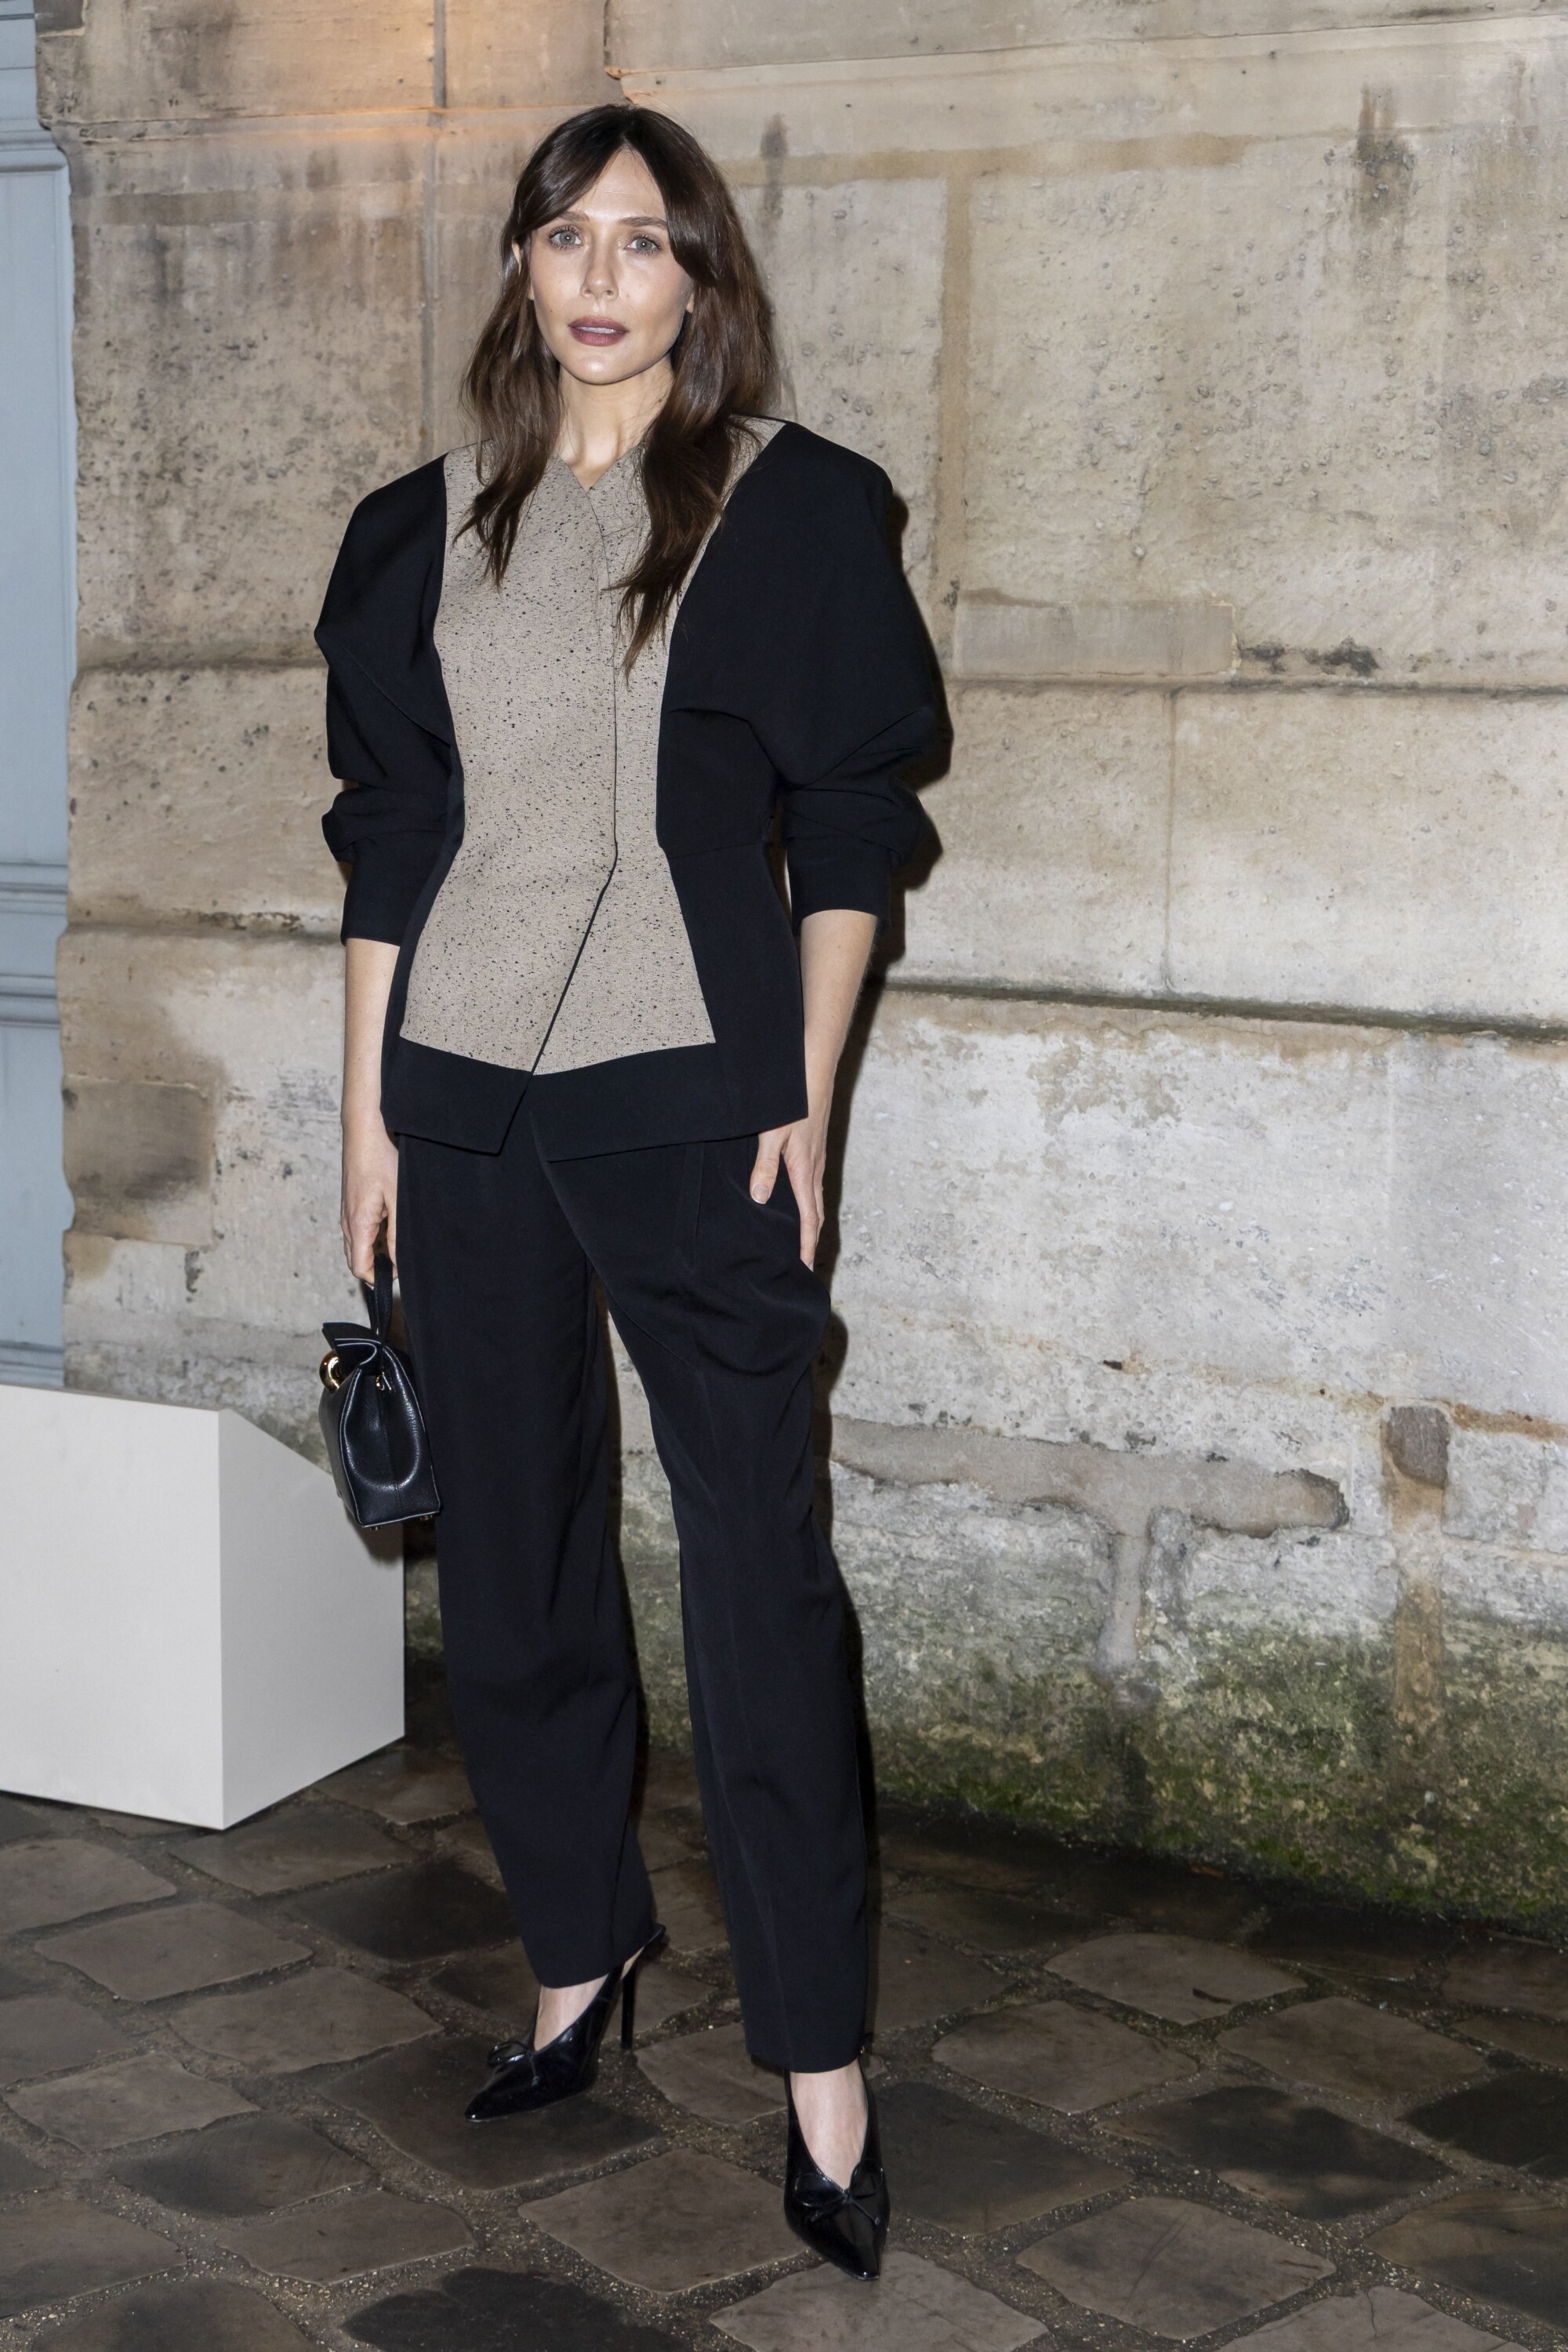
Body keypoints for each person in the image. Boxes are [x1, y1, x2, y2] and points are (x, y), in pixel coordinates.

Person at [316, 100, 936, 2283]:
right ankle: (580, 1962)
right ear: (522, 265)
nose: (602, 276)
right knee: (514, 1569)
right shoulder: (416, 532)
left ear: (700, 279)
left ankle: (823, 2067)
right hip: (465, 1106)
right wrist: (367, 1119)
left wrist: (807, 1096)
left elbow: (851, 827)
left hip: (698, 1107)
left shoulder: (798, 509)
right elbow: (394, 842)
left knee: (760, 1583)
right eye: (567, 235)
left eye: (646, 240)